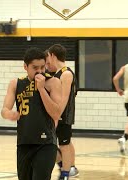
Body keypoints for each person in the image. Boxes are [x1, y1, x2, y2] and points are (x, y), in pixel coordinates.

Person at [1, 47, 62, 180]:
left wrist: (41, 89)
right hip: (24, 143)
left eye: (42, 67)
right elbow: (4, 110)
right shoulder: (15, 84)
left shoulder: (53, 82)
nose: (39, 71)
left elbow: (56, 114)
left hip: (46, 144)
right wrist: (9, 114)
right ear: (25, 66)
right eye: (35, 67)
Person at [45, 44, 79, 180]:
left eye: (48, 61)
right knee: (65, 143)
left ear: (53, 55)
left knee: (64, 145)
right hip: (57, 115)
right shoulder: (57, 73)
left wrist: (56, 116)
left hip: (62, 116)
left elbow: (64, 100)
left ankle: (65, 173)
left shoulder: (66, 74)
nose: (47, 65)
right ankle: (70, 167)